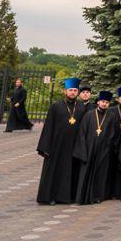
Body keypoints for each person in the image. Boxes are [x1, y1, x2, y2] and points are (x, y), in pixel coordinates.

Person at [36, 77, 85, 205]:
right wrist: (45, 147)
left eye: (75, 90)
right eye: (70, 90)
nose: (73, 92)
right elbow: (48, 127)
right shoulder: (56, 106)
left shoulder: (81, 106)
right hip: (57, 146)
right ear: (65, 91)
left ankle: (70, 196)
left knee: (72, 171)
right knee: (55, 171)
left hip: (75, 145)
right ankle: (51, 197)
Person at [73, 90, 118, 205]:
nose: (104, 104)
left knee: (100, 174)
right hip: (88, 150)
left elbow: (113, 135)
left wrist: (107, 148)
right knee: (86, 174)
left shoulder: (111, 117)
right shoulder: (89, 115)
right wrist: (84, 150)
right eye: (102, 101)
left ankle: (98, 196)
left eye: (107, 102)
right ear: (98, 102)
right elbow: (82, 133)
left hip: (103, 151)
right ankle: (83, 196)